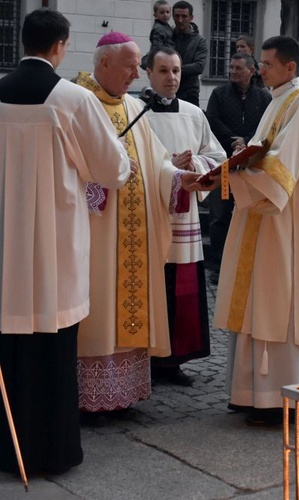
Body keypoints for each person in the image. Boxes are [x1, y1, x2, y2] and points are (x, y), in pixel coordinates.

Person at [0, 9, 130, 474]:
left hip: (4, 249)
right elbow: (114, 169)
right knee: (52, 349)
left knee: (6, 347)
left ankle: (4, 446)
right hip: (54, 248)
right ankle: (52, 451)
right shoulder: (72, 99)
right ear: (60, 46)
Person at [74, 32, 207, 416]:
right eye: (131, 65)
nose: (137, 73)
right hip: (95, 233)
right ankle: (89, 396)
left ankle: (122, 394)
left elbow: (158, 164)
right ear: (104, 64)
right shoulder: (80, 105)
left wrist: (181, 179)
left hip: (134, 236)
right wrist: (98, 181)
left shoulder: (133, 107)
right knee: (98, 305)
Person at [211, 35, 299, 426]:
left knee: (277, 309)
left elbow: (280, 171)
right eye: (260, 62)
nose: (260, 69)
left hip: (284, 226)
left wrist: (232, 174)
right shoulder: (279, 99)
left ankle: (280, 400)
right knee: (257, 307)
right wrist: (233, 169)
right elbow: (262, 155)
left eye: (267, 63)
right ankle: (249, 393)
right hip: (261, 220)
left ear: (291, 67)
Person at [144, 47, 226, 385]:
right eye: (163, 71)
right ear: (148, 73)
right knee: (152, 289)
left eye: (176, 71)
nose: (171, 78)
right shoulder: (137, 112)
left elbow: (216, 155)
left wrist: (193, 166)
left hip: (186, 218)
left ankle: (175, 361)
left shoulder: (194, 113)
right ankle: (144, 362)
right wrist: (168, 170)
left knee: (181, 291)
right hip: (151, 217)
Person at [205, 53, 272, 284]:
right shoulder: (218, 94)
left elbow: (267, 127)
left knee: (249, 215)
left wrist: (245, 140)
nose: (233, 71)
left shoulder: (264, 98)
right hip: (224, 167)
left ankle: (248, 263)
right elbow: (212, 121)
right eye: (231, 67)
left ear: (251, 71)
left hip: (249, 168)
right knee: (220, 216)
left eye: (238, 68)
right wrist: (234, 141)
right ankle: (218, 266)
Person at [171, 1, 207, 106]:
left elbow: (199, 66)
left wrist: (174, 70)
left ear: (191, 17)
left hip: (189, 92)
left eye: (184, 16)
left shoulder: (199, 40)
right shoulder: (166, 36)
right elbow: (149, 58)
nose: (180, 20)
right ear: (173, 16)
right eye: (177, 16)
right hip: (168, 89)